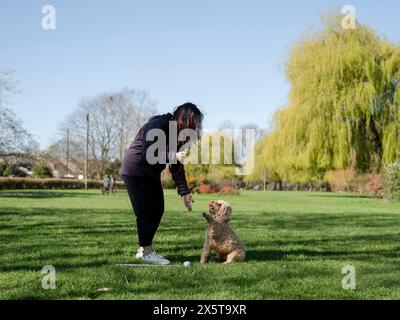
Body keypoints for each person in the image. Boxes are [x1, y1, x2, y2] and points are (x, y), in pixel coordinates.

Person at [119, 102, 204, 265]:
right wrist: (174, 156)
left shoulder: (179, 136)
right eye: (194, 124)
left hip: (150, 174)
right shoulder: (157, 125)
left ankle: (143, 250)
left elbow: (176, 165)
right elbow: (148, 154)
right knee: (145, 212)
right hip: (135, 170)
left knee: (158, 209)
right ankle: (146, 251)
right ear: (184, 119)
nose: (195, 128)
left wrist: (184, 191)